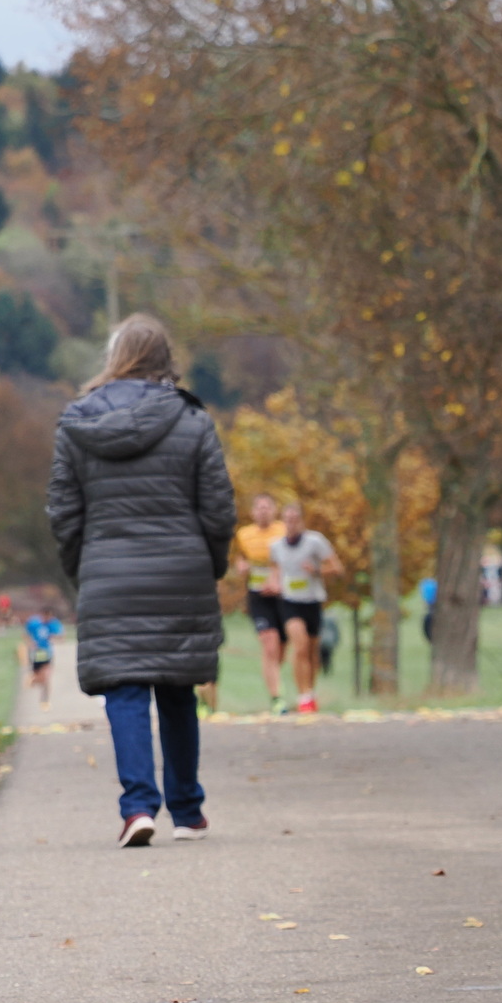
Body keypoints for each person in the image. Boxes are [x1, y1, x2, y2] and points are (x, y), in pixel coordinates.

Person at [47, 313, 236, 846]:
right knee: (177, 688)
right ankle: (188, 811)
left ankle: (137, 808)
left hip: (108, 572)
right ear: (165, 358)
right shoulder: (192, 419)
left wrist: (83, 568)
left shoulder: (77, 423)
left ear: (115, 357)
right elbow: (218, 509)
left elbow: (63, 512)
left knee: (124, 690)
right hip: (181, 571)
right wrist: (211, 564)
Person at [267, 502, 342, 715]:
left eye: (295, 520)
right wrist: (274, 583)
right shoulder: (276, 546)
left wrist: (317, 570)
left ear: (301, 521)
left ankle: (310, 692)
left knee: (311, 652)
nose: (291, 524)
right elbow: (275, 570)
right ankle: (303, 697)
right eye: (287, 520)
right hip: (289, 602)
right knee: (299, 647)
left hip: (312, 601)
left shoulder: (315, 542)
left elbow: (336, 568)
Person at [232, 493, 289, 714]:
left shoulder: (283, 530)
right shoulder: (243, 535)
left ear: (274, 510)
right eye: (259, 507)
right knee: (269, 644)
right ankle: (277, 698)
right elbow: (239, 558)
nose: (263, 511)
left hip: (283, 595)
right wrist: (241, 568)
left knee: (281, 649)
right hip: (258, 595)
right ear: (253, 512)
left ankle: (274, 678)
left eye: (267, 507)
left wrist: (278, 580)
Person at [22, 609, 63, 705]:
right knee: (39, 677)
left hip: (47, 653)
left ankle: (45, 700)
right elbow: (25, 634)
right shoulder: (33, 623)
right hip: (36, 653)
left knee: (46, 677)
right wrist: (30, 643)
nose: (47, 619)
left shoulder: (53, 623)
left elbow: (61, 637)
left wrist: (54, 637)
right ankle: (32, 680)